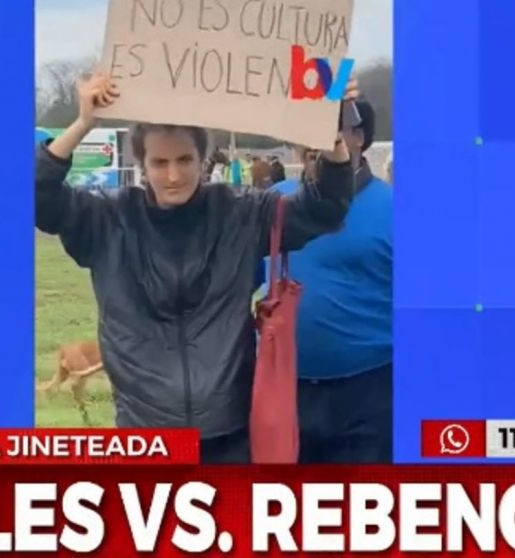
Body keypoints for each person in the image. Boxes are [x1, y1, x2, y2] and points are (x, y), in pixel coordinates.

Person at [35, 73, 359, 464]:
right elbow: (38, 196)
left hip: (230, 431)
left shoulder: (242, 215)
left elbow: (325, 207)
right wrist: (84, 122)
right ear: (141, 163)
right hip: (145, 434)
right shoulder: (107, 220)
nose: (173, 176)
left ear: (203, 159)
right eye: (160, 162)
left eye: (185, 160)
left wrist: (333, 135)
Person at [263, 99, 393, 464]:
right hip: (286, 391)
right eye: (305, 131)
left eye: (328, 131)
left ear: (358, 137)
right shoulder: (273, 203)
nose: (313, 143)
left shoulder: (397, 209)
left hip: (370, 395)